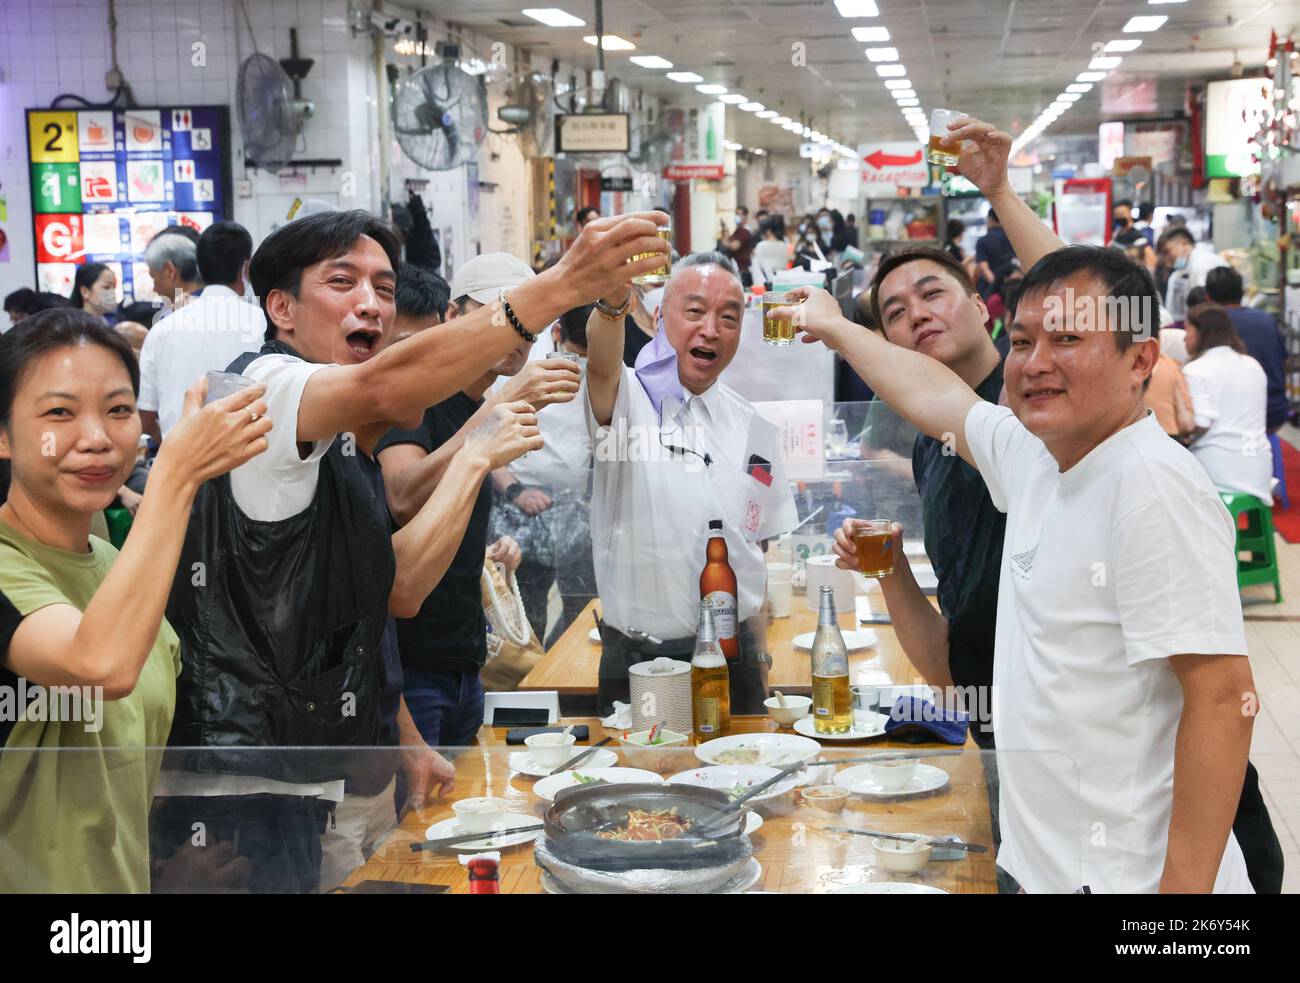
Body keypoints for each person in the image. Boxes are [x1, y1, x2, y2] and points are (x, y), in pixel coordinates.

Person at [160, 208, 665, 891]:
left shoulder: (344, 438)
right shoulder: (264, 390)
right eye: (343, 281)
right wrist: (563, 283)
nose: (371, 301)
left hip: (329, 777)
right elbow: (383, 386)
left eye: (384, 286)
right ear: (280, 306)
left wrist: (404, 739)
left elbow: (382, 600)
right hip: (254, 793)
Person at [788, 231, 1257, 893]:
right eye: (1025, 340)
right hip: (1039, 863)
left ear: (1139, 360)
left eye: (1067, 339)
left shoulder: (1152, 485)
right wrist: (837, 328)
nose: (1035, 361)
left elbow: (1223, 699)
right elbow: (933, 394)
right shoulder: (1040, 456)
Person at [0, 308, 270, 892]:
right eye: (59, 413)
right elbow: (99, 665)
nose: (97, 438)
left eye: (119, 410)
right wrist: (176, 474)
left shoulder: (117, 567)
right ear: (3, 434)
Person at [376, 256, 580, 746]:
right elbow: (402, 496)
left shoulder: (475, 401)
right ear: (452, 316)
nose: (517, 337)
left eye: (528, 326)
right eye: (502, 317)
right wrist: (498, 411)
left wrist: (489, 552)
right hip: (413, 665)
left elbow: (448, 506)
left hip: (466, 657)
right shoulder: (416, 398)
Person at [585, 251, 798, 715]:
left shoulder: (756, 431)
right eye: (695, 310)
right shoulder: (625, 399)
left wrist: (759, 659)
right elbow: (601, 362)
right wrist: (612, 301)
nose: (711, 330)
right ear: (660, 317)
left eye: (728, 317)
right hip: (641, 665)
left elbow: (754, 551)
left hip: (734, 662)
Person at [491, 302, 597, 647]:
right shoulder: (530, 376)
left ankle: (551, 664)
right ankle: (537, 677)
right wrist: (518, 493)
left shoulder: (603, 379)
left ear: (556, 332)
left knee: (578, 610)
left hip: (572, 513)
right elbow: (488, 446)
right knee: (534, 612)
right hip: (522, 516)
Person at [137, 221, 266, 442]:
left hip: (180, 464)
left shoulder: (163, 328)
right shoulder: (262, 322)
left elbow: (145, 416)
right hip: (250, 458)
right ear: (246, 268)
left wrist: (169, 441)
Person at [1182, 303, 1273, 504]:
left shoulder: (1196, 370)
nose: (1184, 337)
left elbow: (1201, 422)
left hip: (1218, 470)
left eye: (1188, 330)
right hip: (1258, 467)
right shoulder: (1252, 364)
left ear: (1202, 333)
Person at [1204, 266, 1289, 431]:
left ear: (1207, 298)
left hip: (1235, 417)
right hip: (1275, 410)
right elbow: (1283, 361)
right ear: (1242, 292)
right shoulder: (1266, 320)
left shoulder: (1210, 325)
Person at [1157, 226, 1227, 319]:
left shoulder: (1201, 263)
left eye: (1167, 252)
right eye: (1163, 255)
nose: (1166, 259)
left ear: (1184, 244)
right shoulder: (1183, 270)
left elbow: (1204, 304)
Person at [144, 232, 203, 312]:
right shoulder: (219, 301)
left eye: (154, 278)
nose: (154, 289)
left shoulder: (172, 318)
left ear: (169, 271)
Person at [974, 209, 1014, 299]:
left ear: (990, 219)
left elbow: (983, 268)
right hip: (1011, 289)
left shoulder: (982, 241)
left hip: (989, 290)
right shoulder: (1013, 239)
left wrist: (996, 285)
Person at [751, 217, 790, 287]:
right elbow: (785, 266)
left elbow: (756, 269)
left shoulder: (761, 246)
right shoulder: (783, 245)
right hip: (780, 284)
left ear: (768, 231)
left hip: (765, 285)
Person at [721, 206, 755, 287]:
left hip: (742, 271)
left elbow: (734, 246)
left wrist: (724, 242)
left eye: (740, 214)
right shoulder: (737, 231)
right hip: (736, 269)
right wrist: (725, 229)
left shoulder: (745, 231)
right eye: (736, 214)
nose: (738, 216)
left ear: (746, 216)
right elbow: (729, 241)